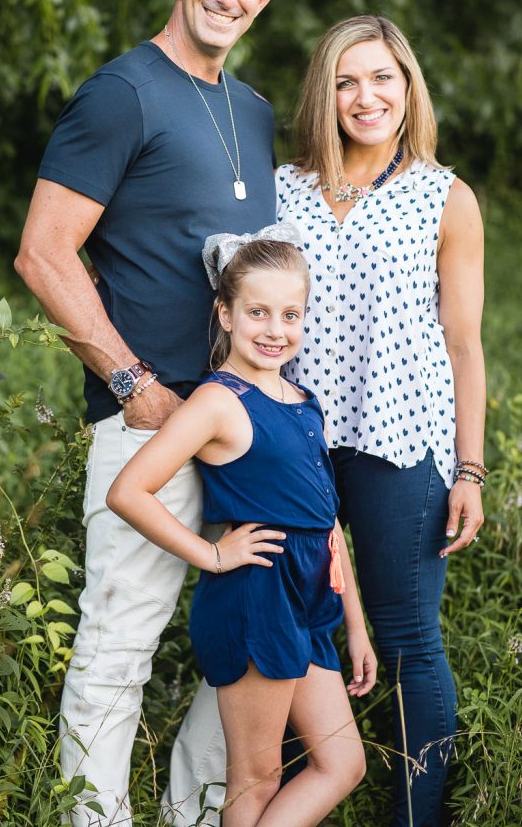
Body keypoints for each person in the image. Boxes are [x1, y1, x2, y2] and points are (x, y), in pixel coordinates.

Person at [14, 0, 278, 826]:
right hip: (151, 427)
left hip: (243, 427)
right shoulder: (121, 92)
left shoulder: (252, 109)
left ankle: (196, 815)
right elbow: (45, 253)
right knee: (119, 645)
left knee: (250, 640)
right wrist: (132, 384)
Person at [273, 15, 486, 826]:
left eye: (382, 79)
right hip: (292, 445)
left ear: (407, 89)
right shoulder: (280, 187)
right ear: (323, 94)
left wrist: (469, 469)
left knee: (404, 638)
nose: (365, 97)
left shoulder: (443, 196)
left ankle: (414, 814)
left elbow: (464, 345)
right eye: (345, 81)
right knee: (297, 627)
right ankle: (293, 799)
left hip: (402, 441)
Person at [107, 230, 377, 827]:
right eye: (258, 312)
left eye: (290, 315)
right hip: (258, 594)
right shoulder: (217, 401)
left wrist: (355, 626)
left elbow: (327, 523)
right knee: (255, 781)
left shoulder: (303, 400)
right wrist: (214, 556)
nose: (275, 330)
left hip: (312, 602)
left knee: (342, 763)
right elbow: (128, 492)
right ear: (225, 314)